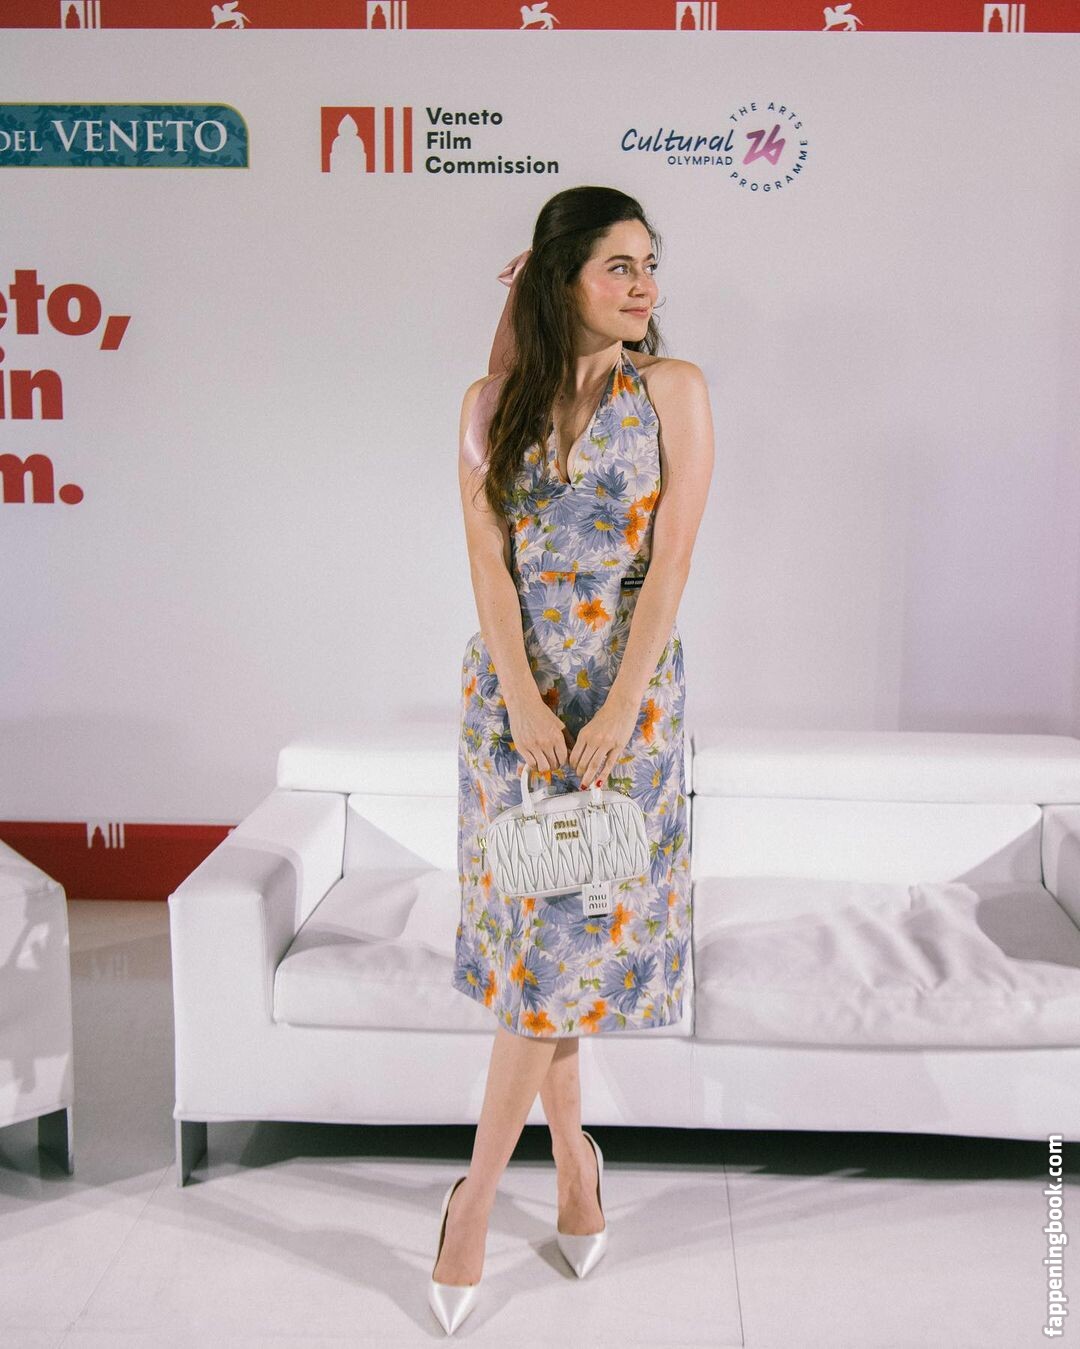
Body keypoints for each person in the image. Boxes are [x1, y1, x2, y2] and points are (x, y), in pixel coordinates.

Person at [430, 185, 714, 1334]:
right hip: (512, 708)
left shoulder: (676, 391)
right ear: (563, 281)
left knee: (566, 948)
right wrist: (520, 697)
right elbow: (486, 562)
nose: (645, 285)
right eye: (617, 266)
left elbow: (673, 561)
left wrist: (620, 709)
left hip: (627, 706)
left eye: (650, 264)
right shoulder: (488, 404)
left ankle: (474, 1202)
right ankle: (569, 1168)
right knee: (541, 948)